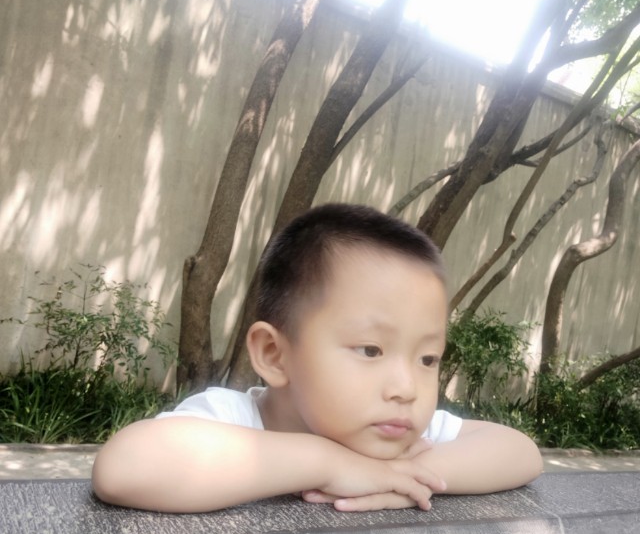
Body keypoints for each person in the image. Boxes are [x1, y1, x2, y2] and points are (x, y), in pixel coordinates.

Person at [92, 203, 543, 513]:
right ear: (275, 355)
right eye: (370, 350)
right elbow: (125, 467)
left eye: (427, 359)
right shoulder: (233, 420)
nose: (406, 388)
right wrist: (330, 463)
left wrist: (406, 475)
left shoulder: (400, 437)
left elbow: (520, 452)